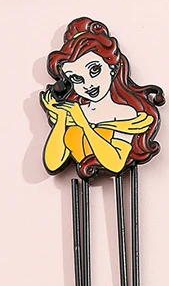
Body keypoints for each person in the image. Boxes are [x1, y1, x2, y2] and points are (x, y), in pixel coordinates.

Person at [41, 18, 162, 177]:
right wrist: (61, 119)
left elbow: (116, 164)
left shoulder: (126, 114)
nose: (88, 84)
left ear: (112, 66)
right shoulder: (73, 112)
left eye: (94, 70)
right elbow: (52, 163)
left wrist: (84, 123)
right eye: (76, 78)